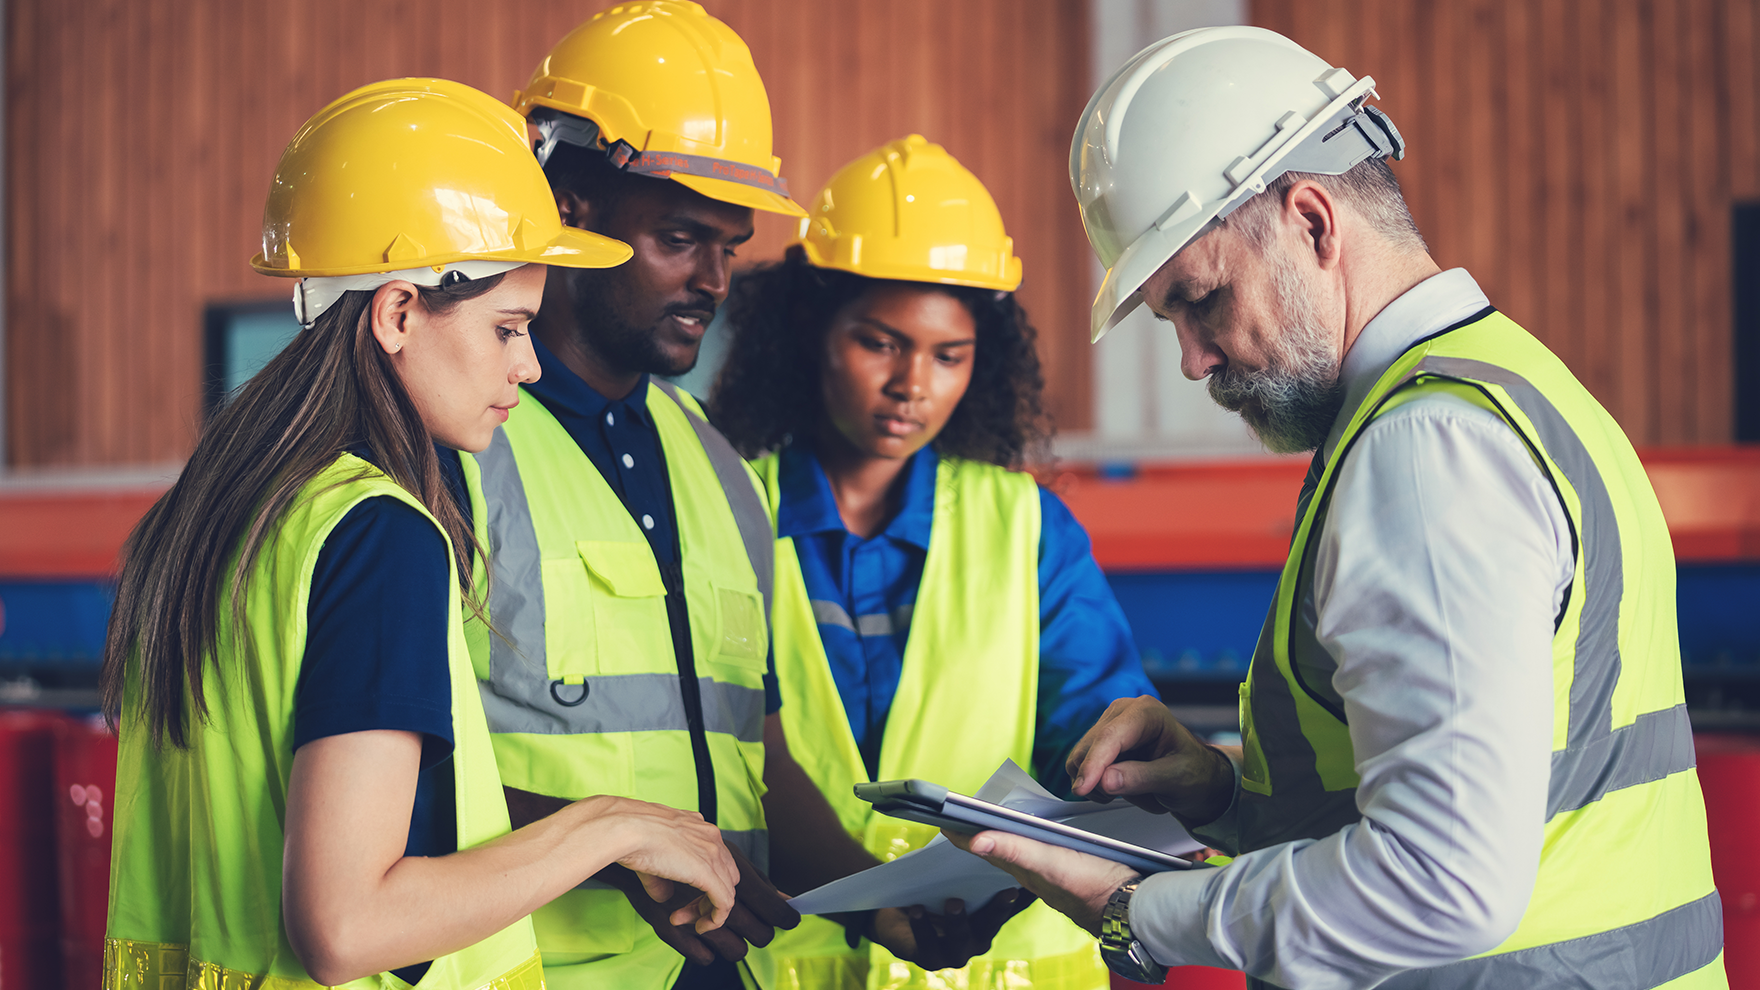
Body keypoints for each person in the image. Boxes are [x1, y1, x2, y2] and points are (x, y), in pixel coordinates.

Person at [946, 25, 1727, 990]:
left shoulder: (1423, 449)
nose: (1193, 359)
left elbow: (1441, 879)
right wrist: (1222, 791)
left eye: (1202, 300)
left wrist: (1137, 910)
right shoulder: (1519, 387)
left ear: (1313, 222)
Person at [100, 79, 746, 990]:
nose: (526, 365)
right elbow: (346, 924)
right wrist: (615, 825)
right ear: (398, 312)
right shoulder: (379, 535)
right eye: (507, 328)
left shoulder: (224, 514)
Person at [471, 6, 989, 988]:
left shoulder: (714, 471)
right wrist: (606, 844)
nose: (714, 279)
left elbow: (753, 755)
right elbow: (380, 787)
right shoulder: (459, 448)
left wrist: (883, 899)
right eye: (680, 237)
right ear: (570, 207)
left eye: (728, 244)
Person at [709, 134, 1158, 990]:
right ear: (810, 331)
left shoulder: (1029, 527)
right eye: (880, 344)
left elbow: (1099, 750)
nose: (913, 384)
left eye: (949, 356)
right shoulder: (723, 511)